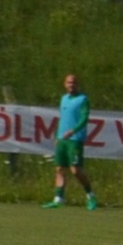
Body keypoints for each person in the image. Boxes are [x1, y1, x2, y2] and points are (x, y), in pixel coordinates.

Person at [44, 72, 97, 210]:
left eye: (73, 82)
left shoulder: (83, 99)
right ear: (65, 84)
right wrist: (57, 134)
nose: (71, 85)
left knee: (75, 170)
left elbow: (84, 118)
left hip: (74, 140)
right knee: (60, 169)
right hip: (63, 139)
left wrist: (73, 131)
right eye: (69, 82)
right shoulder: (64, 99)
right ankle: (58, 198)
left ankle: (90, 195)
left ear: (77, 84)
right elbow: (62, 118)